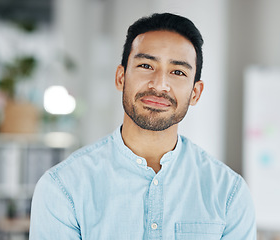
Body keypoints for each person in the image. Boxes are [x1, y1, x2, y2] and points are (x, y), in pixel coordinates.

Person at [29, 13, 256, 239]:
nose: (159, 84)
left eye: (178, 72)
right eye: (146, 65)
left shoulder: (229, 193)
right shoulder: (63, 188)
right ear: (121, 77)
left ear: (195, 93)